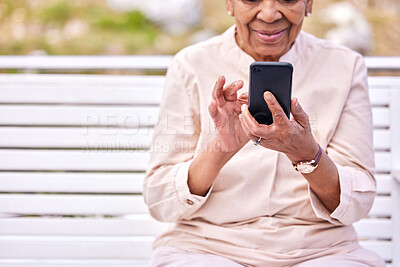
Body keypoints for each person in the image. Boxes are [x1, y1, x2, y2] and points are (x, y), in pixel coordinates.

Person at [143, 0, 385, 266]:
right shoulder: (190, 64)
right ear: (229, 4)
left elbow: (358, 204)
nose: (269, 15)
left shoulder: (345, 65)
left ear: (308, 4)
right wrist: (221, 149)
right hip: (206, 249)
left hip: (322, 251)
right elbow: (160, 200)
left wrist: (306, 154)